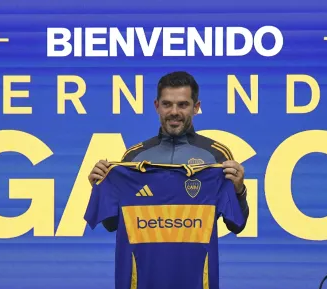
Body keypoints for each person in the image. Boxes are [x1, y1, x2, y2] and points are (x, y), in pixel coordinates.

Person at [88, 71, 249, 232]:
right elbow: (112, 224)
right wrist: (100, 188)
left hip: (197, 258)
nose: (174, 112)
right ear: (157, 106)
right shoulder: (133, 157)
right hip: (143, 257)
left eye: (182, 104)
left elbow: (236, 226)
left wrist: (239, 191)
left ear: (196, 108)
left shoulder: (217, 155)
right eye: (167, 104)